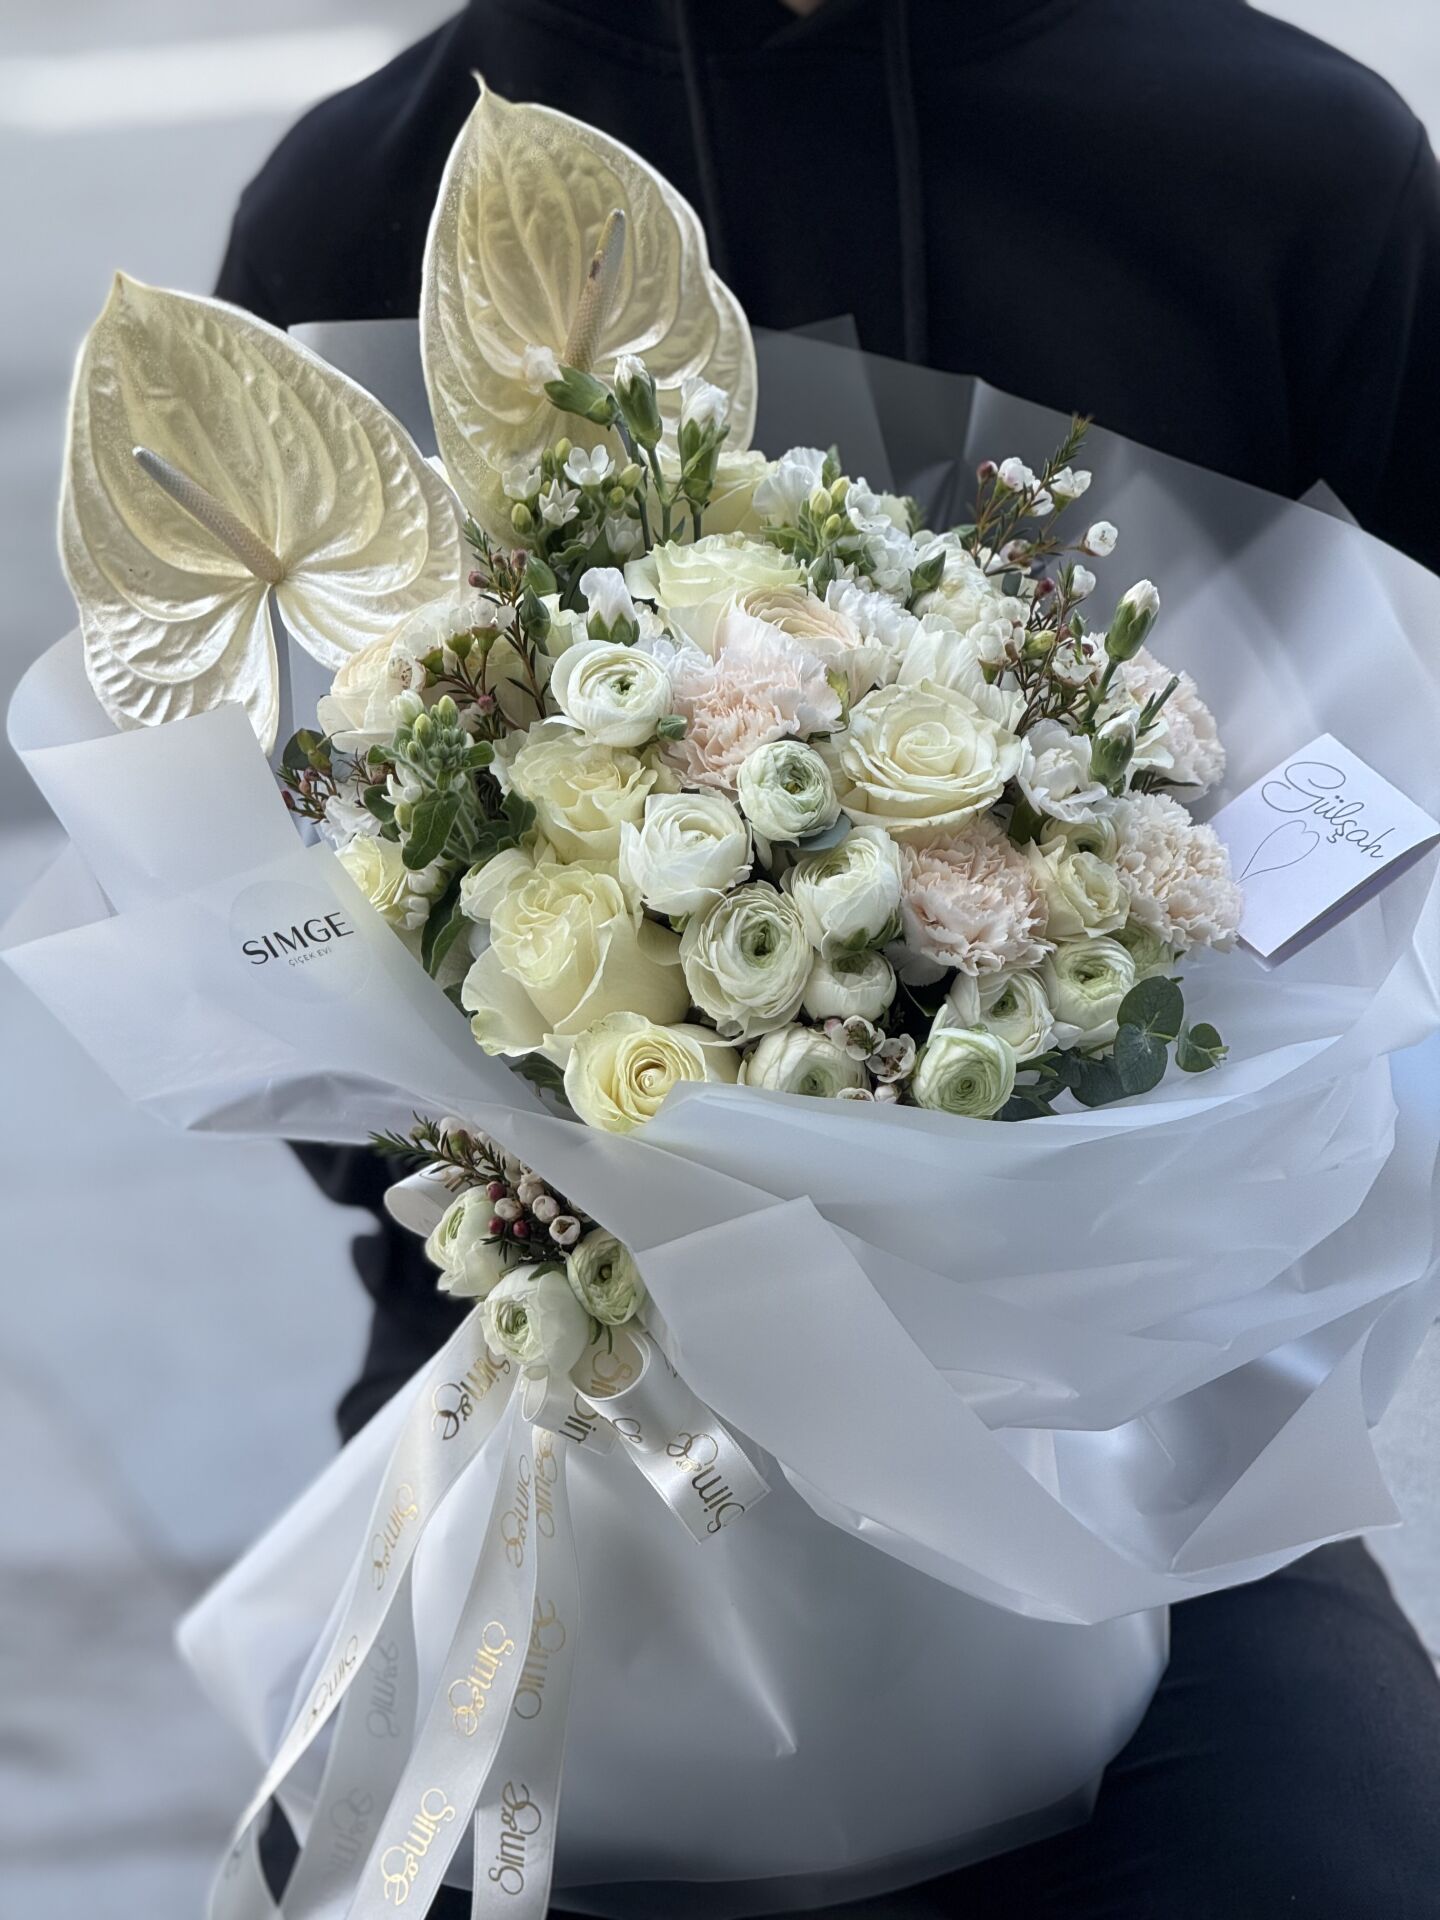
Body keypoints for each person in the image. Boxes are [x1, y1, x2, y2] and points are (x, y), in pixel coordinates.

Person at [218, 3, 1440, 1914]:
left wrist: (1119, 991)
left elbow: (1390, 779)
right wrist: (602, 1154)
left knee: (1336, 1861)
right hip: (541, 1399)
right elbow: (268, 927)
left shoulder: (1283, 163)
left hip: (1137, 1411)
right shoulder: (368, 205)